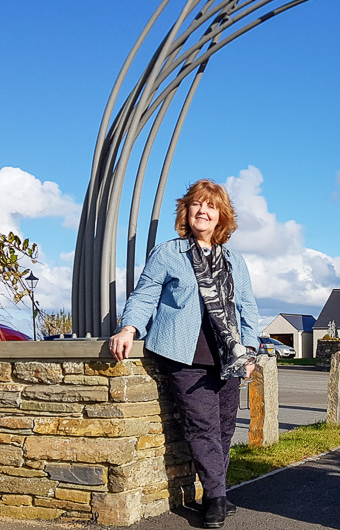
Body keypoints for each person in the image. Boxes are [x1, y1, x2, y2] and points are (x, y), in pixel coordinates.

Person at [109, 179, 258, 529]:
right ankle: (217, 499)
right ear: (186, 212)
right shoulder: (168, 253)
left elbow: (247, 307)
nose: (202, 211)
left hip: (229, 357)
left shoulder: (235, 260)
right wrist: (129, 327)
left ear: (221, 215)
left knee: (223, 428)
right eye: (196, 205)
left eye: (210, 206)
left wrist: (250, 351)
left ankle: (213, 492)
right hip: (184, 354)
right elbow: (145, 295)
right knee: (201, 426)